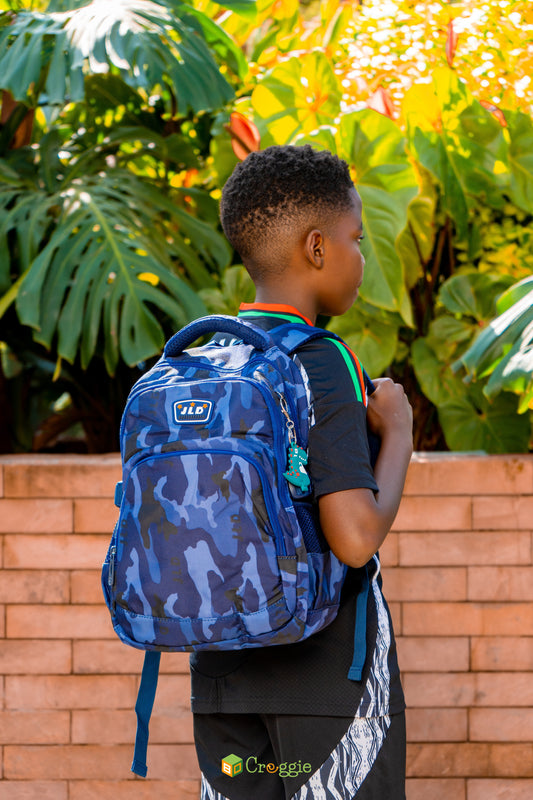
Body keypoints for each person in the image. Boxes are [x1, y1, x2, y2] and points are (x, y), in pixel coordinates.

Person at [190, 144, 413, 800]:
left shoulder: (205, 356)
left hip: (222, 680)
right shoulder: (319, 360)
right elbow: (353, 537)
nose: (361, 255)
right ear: (316, 248)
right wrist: (397, 433)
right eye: (356, 238)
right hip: (325, 688)